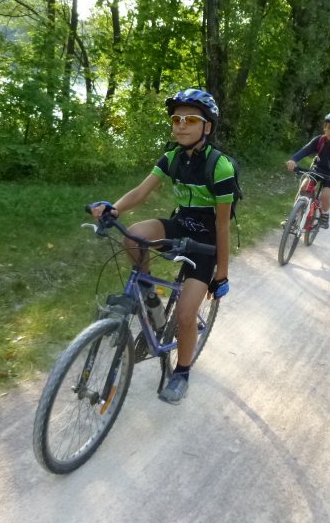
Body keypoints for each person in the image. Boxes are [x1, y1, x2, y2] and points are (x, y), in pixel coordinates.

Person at [89, 88, 237, 405]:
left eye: (190, 120)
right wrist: (113, 209)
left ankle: (181, 372)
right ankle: (151, 298)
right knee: (133, 236)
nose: (181, 125)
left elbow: (223, 225)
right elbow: (141, 193)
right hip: (180, 224)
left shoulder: (220, 167)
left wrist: (221, 275)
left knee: (185, 316)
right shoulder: (171, 158)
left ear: (207, 127)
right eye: (176, 119)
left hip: (206, 244)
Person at [285, 112, 330, 229]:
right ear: (324, 127)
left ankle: (324, 214)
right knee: (303, 188)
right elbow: (305, 150)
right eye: (329, 128)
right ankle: (293, 217)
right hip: (317, 169)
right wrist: (294, 160)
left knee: (325, 196)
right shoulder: (319, 140)